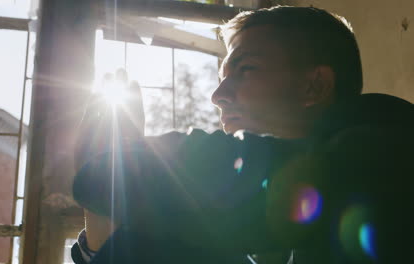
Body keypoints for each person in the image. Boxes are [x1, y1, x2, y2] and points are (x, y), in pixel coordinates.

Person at [71, 5, 414, 264]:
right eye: (222, 75)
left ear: (315, 85)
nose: (217, 95)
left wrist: (121, 162)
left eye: (245, 69)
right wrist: (105, 209)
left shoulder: (390, 150)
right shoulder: (279, 218)